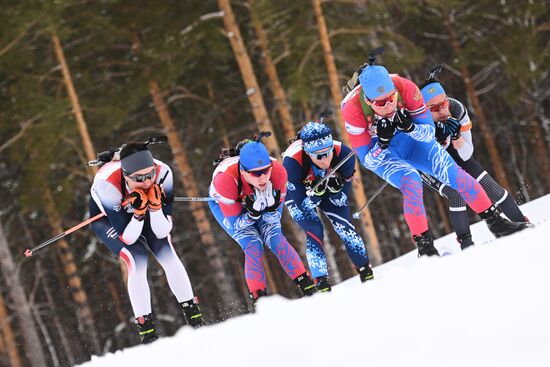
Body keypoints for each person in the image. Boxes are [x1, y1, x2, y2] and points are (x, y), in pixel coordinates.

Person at [340, 62, 527, 256]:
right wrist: (382, 143)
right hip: (384, 155)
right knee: (411, 182)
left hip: (413, 141)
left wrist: (411, 128)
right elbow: (368, 161)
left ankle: (496, 223)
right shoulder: (351, 109)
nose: (388, 106)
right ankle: (426, 248)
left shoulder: (406, 88)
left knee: (455, 173)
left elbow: (429, 133)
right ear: (369, 101)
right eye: (380, 103)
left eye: (391, 98)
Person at [89, 142, 205, 344]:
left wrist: (155, 207)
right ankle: (147, 329)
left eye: (150, 174)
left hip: (145, 212)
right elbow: (128, 237)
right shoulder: (107, 185)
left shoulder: (163, 173)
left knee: (165, 251)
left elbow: (162, 231)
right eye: (139, 179)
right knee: (137, 258)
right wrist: (139, 214)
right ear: (126, 176)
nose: (147, 182)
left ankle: (193, 314)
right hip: (109, 218)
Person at [419, 71, 529, 249]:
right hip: (428, 164)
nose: (442, 110)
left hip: (453, 152)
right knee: (455, 194)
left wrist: (456, 137)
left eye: (443, 103)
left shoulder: (456, 109)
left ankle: (521, 223)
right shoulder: (420, 122)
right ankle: (466, 243)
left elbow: (466, 154)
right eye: (433, 108)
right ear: (424, 109)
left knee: (488, 185)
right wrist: (436, 139)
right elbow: (424, 157)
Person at [208, 138, 317, 301]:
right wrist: (252, 214)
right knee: (253, 246)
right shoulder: (225, 180)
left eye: (266, 170)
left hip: (256, 201)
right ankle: (260, 300)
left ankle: (307, 285)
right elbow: (236, 224)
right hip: (228, 205)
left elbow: (273, 218)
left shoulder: (279, 173)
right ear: (244, 172)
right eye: (255, 173)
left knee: (276, 238)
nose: (263, 178)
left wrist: (271, 209)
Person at [282, 121, 372, 292]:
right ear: (308, 153)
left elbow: (342, 198)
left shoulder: (343, 153)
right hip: (297, 194)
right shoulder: (292, 162)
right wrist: (316, 194)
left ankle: (366, 272)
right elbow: (303, 205)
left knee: (345, 228)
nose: (325, 159)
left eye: (327, 152)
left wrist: (336, 191)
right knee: (315, 230)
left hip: (324, 190)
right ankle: (322, 283)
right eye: (318, 156)